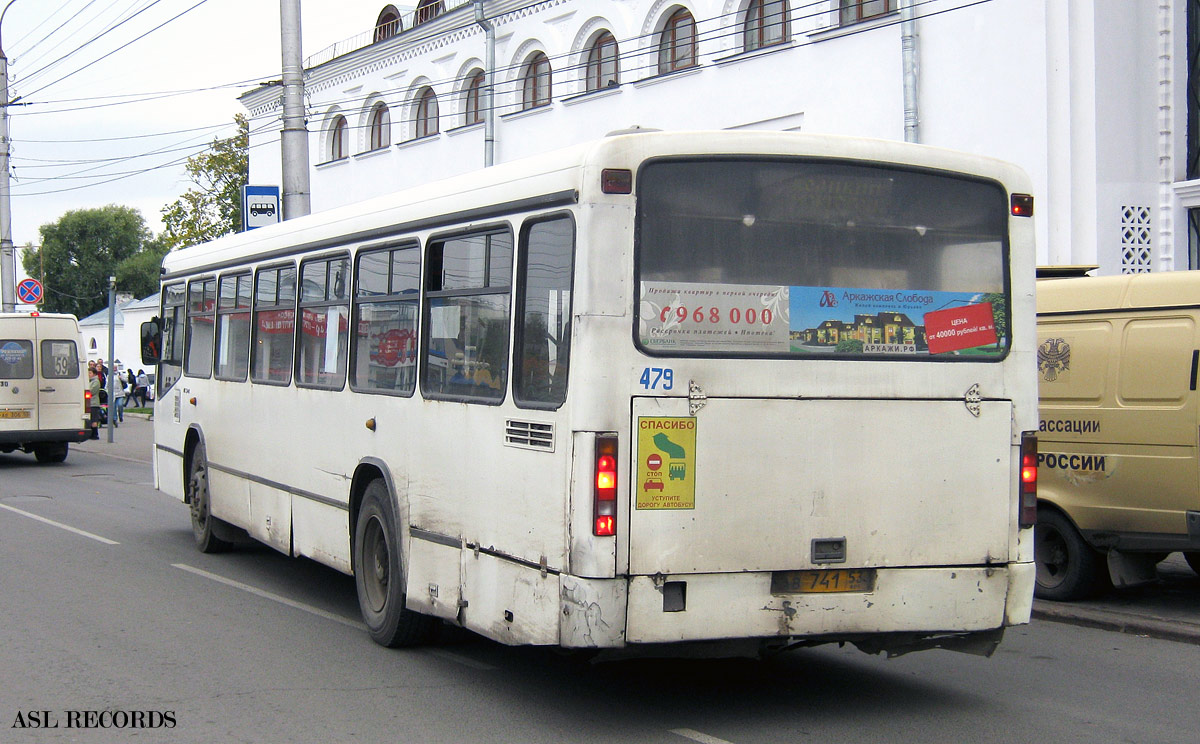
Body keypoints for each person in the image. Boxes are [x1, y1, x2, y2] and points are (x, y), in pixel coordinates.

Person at [87, 368, 102, 439]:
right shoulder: (89, 381)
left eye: (90, 373)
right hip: (89, 403)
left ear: (94, 374)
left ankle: (95, 434)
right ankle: (91, 434)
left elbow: (91, 391)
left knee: (94, 419)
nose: (88, 374)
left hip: (94, 403)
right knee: (90, 419)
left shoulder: (96, 381)